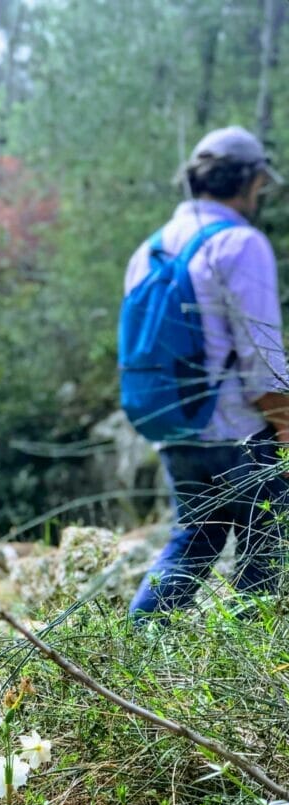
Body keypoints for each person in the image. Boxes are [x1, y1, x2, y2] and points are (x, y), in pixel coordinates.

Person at [126, 125, 289, 619]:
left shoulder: (150, 247)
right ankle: (257, 671)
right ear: (250, 181)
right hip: (239, 433)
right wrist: (285, 424)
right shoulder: (240, 243)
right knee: (270, 544)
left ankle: (140, 637)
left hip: (176, 429)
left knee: (196, 538)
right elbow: (261, 358)